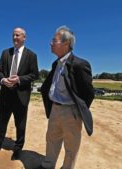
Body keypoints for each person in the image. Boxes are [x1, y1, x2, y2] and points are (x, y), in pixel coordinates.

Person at [36, 26, 94, 169]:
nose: (50, 43)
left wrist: (78, 110)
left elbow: (89, 93)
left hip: (71, 112)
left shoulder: (80, 64)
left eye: (54, 40)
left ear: (66, 43)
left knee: (71, 146)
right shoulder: (56, 63)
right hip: (55, 109)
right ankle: (48, 166)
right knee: (51, 140)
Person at [0, 27, 39, 160]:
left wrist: (19, 79)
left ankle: (18, 148)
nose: (15, 38)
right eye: (13, 35)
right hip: (5, 94)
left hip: (21, 95)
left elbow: (35, 75)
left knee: (20, 124)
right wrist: (3, 79)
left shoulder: (31, 55)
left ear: (24, 38)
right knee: (1, 121)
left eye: (18, 35)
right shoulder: (5, 53)